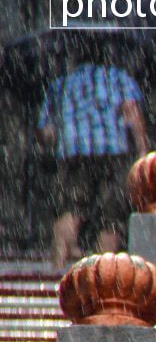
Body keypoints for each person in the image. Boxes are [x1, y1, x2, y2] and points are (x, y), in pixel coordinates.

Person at [37, 49, 148, 267]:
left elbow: (45, 132)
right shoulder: (117, 78)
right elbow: (131, 111)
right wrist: (143, 149)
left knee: (71, 210)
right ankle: (100, 273)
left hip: (73, 153)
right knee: (112, 218)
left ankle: (56, 272)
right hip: (113, 152)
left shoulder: (61, 84)